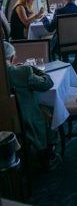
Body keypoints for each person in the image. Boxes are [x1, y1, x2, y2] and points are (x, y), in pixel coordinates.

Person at [4, 41, 58, 170]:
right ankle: (47, 153)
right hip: (26, 119)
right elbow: (47, 84)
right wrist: (33, 69)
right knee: (49, 110)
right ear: (12, 58)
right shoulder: (22, 72)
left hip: (5, 121)